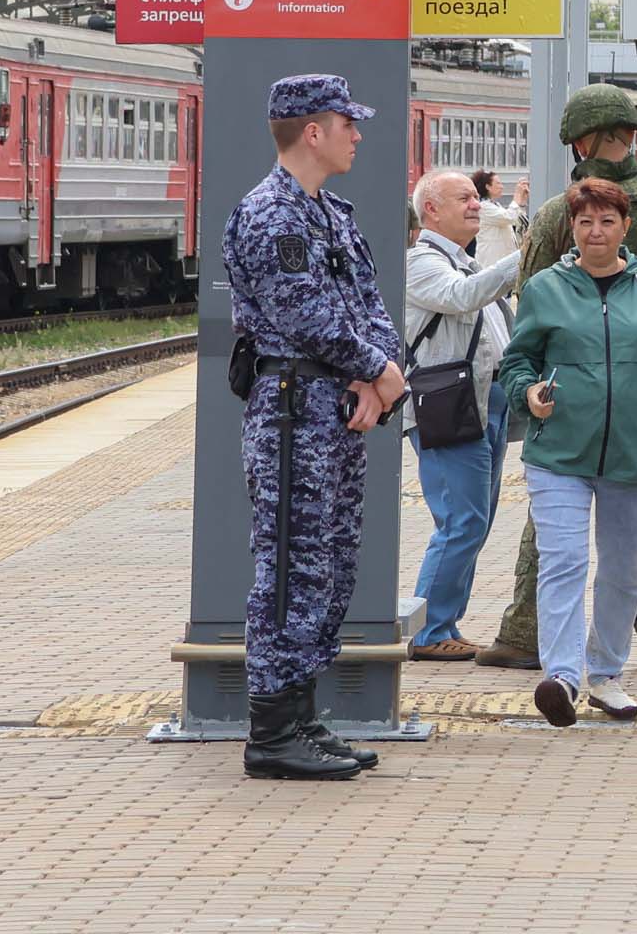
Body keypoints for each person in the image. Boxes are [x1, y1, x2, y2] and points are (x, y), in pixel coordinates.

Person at [479, 84, 637, 674]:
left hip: (570, 394)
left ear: (581, 140)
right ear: (631, 134)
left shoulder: (564, 210)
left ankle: (524, 631)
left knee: (554, 523)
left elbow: (531, 290)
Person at [226, 75, 405, 780]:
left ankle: (301, 718)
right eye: (346, 123)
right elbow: (306, 317)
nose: (357, 134)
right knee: (288, 568)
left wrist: (378, 373)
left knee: (327, 563)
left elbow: (367, 302)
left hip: (333, 404)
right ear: (312, 132)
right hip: (294, 410)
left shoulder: (328, 210)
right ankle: (271, 734)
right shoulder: (273, 215)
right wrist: (376, 371)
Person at [404, 170, 520, 661]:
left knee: (476, 520)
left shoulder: (466, 263)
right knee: (461, 520)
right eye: (464, 198)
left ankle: (444, 621)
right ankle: (428, 630)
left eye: (477, 197)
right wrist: (525, 255)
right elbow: (460, 300)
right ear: (431, 210)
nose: (477, 204)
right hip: (446, 406)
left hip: (482, 403)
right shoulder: (422, 264)